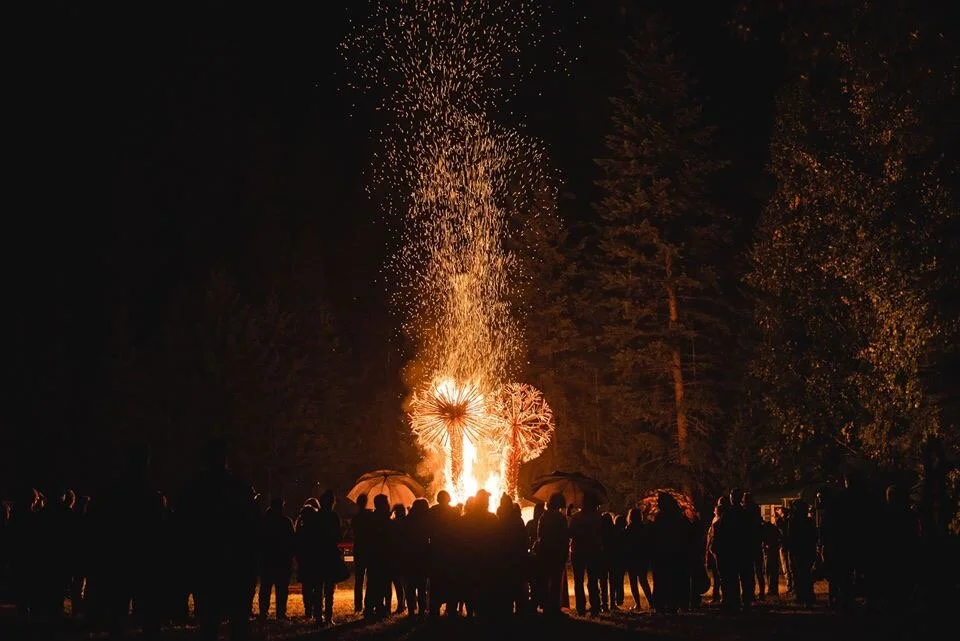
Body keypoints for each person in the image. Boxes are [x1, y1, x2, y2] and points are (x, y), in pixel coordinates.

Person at [178, 438, 258, 641]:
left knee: (209, 623)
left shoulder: (194, 490)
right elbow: (251, 530)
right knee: (236, 624)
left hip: (207, 564)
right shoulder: (239, 489)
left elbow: (184, 529)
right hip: (232, 565)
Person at [257, 498, 294, 621]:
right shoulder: (286, 522)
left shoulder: (264, 522)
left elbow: (260, 540)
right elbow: (291, 541)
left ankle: (263, 612)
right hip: (282, 560)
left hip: (268, 559)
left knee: (266, 588)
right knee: (281, 589)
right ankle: (280, 613)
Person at [568, 493, 603, 616]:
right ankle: (595, 606)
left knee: (578, 580)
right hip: (594, 550)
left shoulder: (577, 518)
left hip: (578, 551)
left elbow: (570, 533)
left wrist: (569, 517)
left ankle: (580, 607)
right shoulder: (598, 517)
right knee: (593, 580)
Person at [535, 492, 569, 616]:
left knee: (545, 580)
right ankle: (554, 607)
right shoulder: (560, 518)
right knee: (555, 581)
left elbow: (540, 535)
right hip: (557, 553)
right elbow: (565, 537)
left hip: (545, 552)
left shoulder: (543, 517)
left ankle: (545, 605)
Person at [351, 493, 372, 613]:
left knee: (359, 579)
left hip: (359, 548)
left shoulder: (356, 518)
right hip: (368, 549)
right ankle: (367, 603)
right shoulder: (369, 516)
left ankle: (358, 605)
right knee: (370, 577)